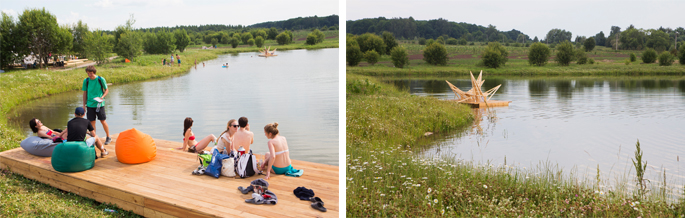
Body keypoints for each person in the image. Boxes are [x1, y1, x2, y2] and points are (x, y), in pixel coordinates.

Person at [82, 66, 112, 145]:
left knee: (103, 120)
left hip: (99, 104)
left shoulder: (100, 79)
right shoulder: (86, 80)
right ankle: (94, 138)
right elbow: (84, 93)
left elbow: (106, 90)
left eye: (91, 73)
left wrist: (102, 97)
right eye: (88, 73)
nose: (89, 75)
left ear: (94, 72)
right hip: (90, 104)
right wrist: (83, 105)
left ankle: (108, 137)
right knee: (92, 122)